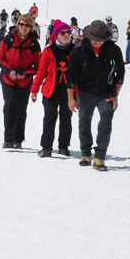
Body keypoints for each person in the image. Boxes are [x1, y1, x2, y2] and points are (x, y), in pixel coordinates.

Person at [68, 20, 125, 171]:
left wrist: (115, 94)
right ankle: (86, 153)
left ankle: (100, 156)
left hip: (106, 93)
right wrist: (71, 98)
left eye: (101, 41)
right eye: (95, 40)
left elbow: (120, 71)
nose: (97, 43)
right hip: (85, 92)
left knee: (106, 121)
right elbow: (71, 75)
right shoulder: (79, 50)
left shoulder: (113, 50)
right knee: (84, 121)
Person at [29, 20, 76, 157]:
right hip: (51, 90)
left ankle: (63, 146)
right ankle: (46, 147)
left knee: (66, 118)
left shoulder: (75, 50)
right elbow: (42, 71)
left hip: (69, 91)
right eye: (63, 33)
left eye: (68, 32)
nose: (67, 35)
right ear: (56, 35)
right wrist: (34, 89)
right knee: (50, 117)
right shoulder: (49, 51)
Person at [0, 14, 41, 148]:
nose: (24, 28)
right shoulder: (8, 39)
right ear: (17, 24)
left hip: (25, 81)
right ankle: (9, 138)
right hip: (8, 79)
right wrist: (10, 71)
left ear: (32, 28)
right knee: (10, 105)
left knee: (21, 108)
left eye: (27, 25)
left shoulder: (34, 44)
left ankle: (18, 139)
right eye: (22, 24)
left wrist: (26, 74)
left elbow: (39, 66)